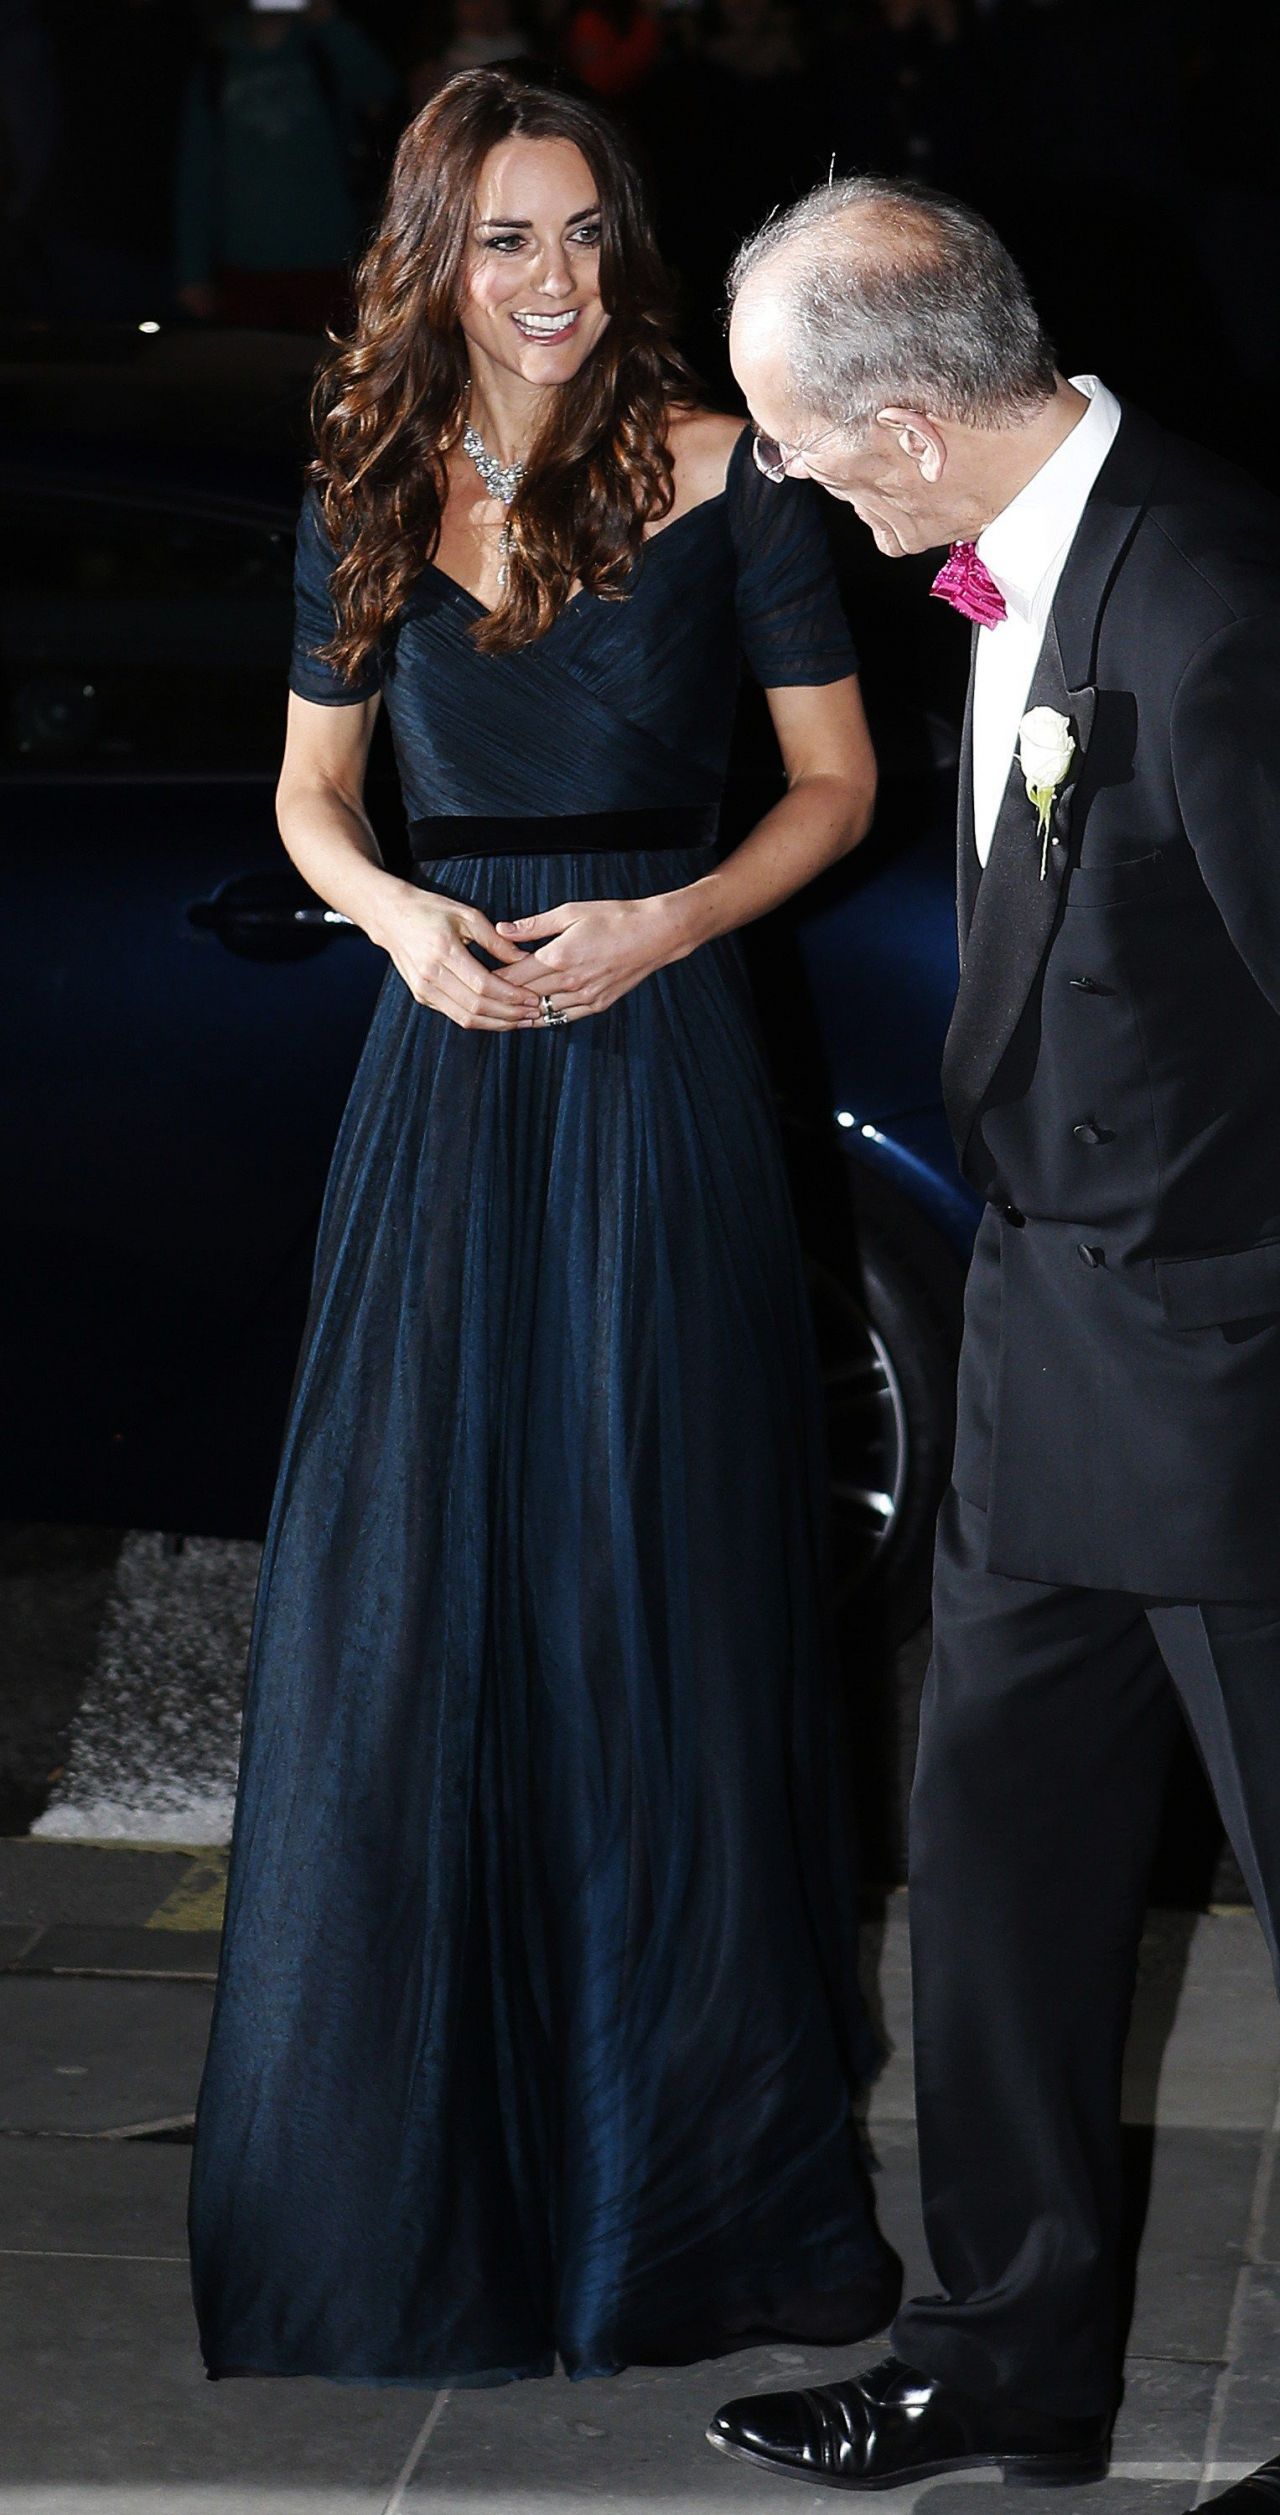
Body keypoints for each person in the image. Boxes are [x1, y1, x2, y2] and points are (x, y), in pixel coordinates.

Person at [188, 69, 901, 2388]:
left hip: (655, 1049)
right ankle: (418, 2190)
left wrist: (670, 920)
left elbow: (835, 783)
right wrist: (395, 921)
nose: (560, 277)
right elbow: (306, 797)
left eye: (587, 231)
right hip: (447, 1066)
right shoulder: (364, 493)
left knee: (659, 1585)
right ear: (432, 256)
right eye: (509, 237)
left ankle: (693, 2202)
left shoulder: (731, 477)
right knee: (422, 1600)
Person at [712, 175, 1280, 2503]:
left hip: (1229, 1379)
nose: (796, 485)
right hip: (1048, 1354)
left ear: (916, 422)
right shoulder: (996, 562)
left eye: (805, 445)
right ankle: (1001, 2363)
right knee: (994, 1871)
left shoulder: (1216, 599)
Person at [174, 1, 396, 331]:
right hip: (241, 264)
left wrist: (328, 21)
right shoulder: (216, 63)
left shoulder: (325, 53)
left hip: (329, 258)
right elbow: (196, 172)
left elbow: (383, 91)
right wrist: (192, 272)